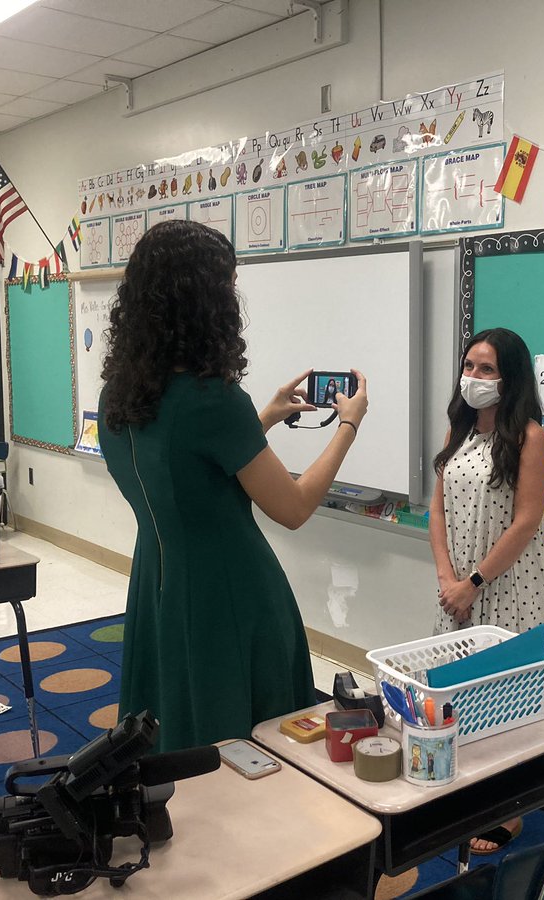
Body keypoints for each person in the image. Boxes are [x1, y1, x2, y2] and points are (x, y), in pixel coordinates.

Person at [98, 220, 369, 753]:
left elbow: (180, 467)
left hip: (157, 578)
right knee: (247, 736)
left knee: (173, 719)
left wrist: (262, 417)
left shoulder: (118, 395)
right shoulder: (212, 401)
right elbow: (292, 508)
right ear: (204, 300)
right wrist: (348, 425)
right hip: (229, 592)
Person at [429, 327, 544, 854]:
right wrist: (448, 580)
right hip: (457, 587)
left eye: (487, 369)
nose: (474, 378)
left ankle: (510, 810)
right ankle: (467, 796)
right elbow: (436, 508)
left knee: (505, 701)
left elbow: (526, 522)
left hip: (508, 586)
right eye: (470, 366)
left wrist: (475, 582)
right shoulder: (457, 431)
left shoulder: (529, 436)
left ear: (511, 378)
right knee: (457, 693)